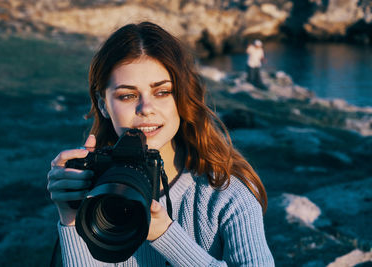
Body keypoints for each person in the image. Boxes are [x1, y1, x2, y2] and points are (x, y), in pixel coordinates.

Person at [47, 22, 274, 266]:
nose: (146, 109)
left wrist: (166, 235)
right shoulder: (97, 189)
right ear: (103, 104)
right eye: (127, 95)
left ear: (182, 96)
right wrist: (71, 218)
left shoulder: (227, 193)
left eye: (162, 92)